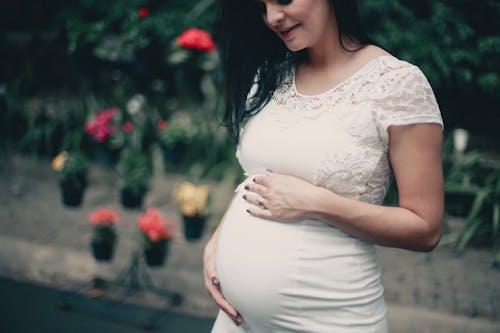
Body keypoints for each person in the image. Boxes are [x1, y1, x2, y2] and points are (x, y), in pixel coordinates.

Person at [204, 0, 444, 332]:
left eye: (284, 0)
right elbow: (257, 176)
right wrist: (218, 241)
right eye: (261, 6)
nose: (272, 17)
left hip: (329, 319)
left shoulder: (398, 85)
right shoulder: (273, 73)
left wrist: (316, 203)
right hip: (237, 322)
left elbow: (425, 228)